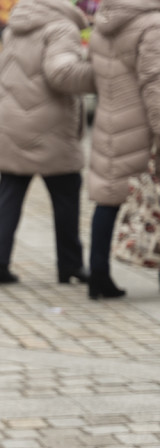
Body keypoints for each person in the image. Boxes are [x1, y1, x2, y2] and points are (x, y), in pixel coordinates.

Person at [0, 0, 94, 285]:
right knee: (66, 195)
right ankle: (70, 265)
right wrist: (102, 75)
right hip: (49, 126)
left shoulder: (16, 24)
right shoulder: (62, 28)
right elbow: (62, 74)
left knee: (9, 193)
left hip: (10, 120)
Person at [85, 0, 160, 299]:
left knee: (108, 199)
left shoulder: (104, 22)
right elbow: (155, 85)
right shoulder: (152, 25)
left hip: (109, 120)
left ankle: (98, 275)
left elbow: (95, 74)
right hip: (141, 126)